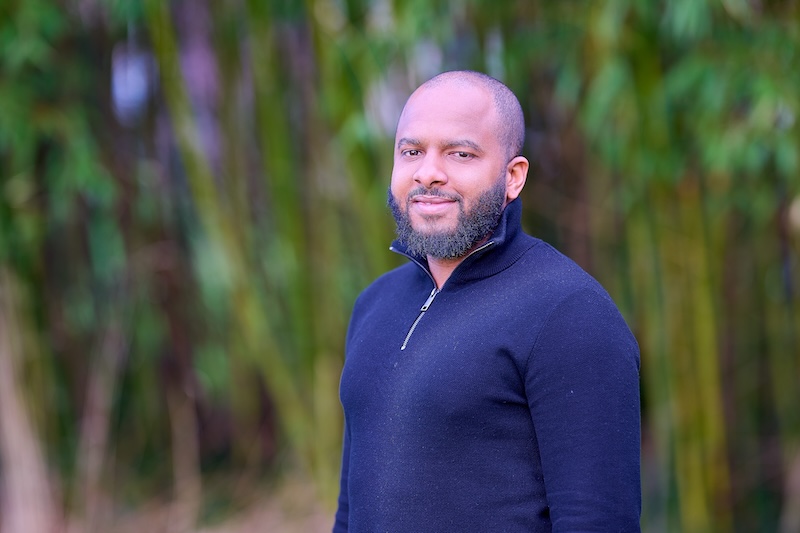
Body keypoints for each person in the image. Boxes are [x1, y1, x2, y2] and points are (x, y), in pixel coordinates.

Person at [333, 70, 641, 532]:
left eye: (460, 154)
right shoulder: (374, 305)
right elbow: (350, 514)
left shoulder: (569, 314)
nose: (428, 173)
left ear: (513, 177)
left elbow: (597, 521)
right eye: (412, 152)